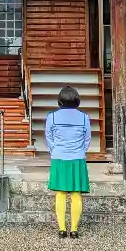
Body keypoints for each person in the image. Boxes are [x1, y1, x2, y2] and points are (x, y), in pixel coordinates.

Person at [45, 85, 92, 238]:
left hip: (59, 157)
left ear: (60, 100)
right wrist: (80, 151)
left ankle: (62, 229)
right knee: (76, 193)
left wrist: (55, 150)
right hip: (77, 158)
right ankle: (74, 230)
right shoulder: (84, 117)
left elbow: (49, 138)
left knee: (60, 193)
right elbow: (87, 139)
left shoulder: (51, 117)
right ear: (77, 100)